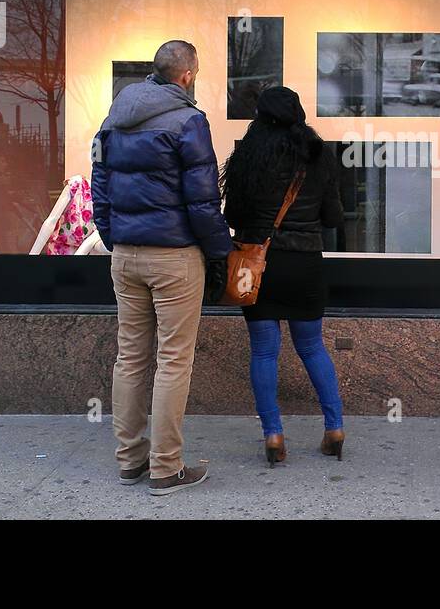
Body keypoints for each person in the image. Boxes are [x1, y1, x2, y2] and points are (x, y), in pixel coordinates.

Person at [91, 39, 233, 495]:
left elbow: (100, 185)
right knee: (173, 360)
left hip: (126, 253)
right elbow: (204, 201)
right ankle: (166, 467)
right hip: (174, 256)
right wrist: (219, 253)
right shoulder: (189, 121)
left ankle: (130, 460)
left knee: (130, 356)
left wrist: (115, 236)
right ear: (188, 74)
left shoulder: (116, 115)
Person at [220, 86, 346, 465]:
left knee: (264, 351)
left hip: (259, 265)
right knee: (312, 347)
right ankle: (335, 428)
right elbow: (334, 219)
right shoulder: (318, 154)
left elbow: (231, 218)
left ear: (260, 116)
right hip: (305, 264)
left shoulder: (247, 155)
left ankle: (273, 435)